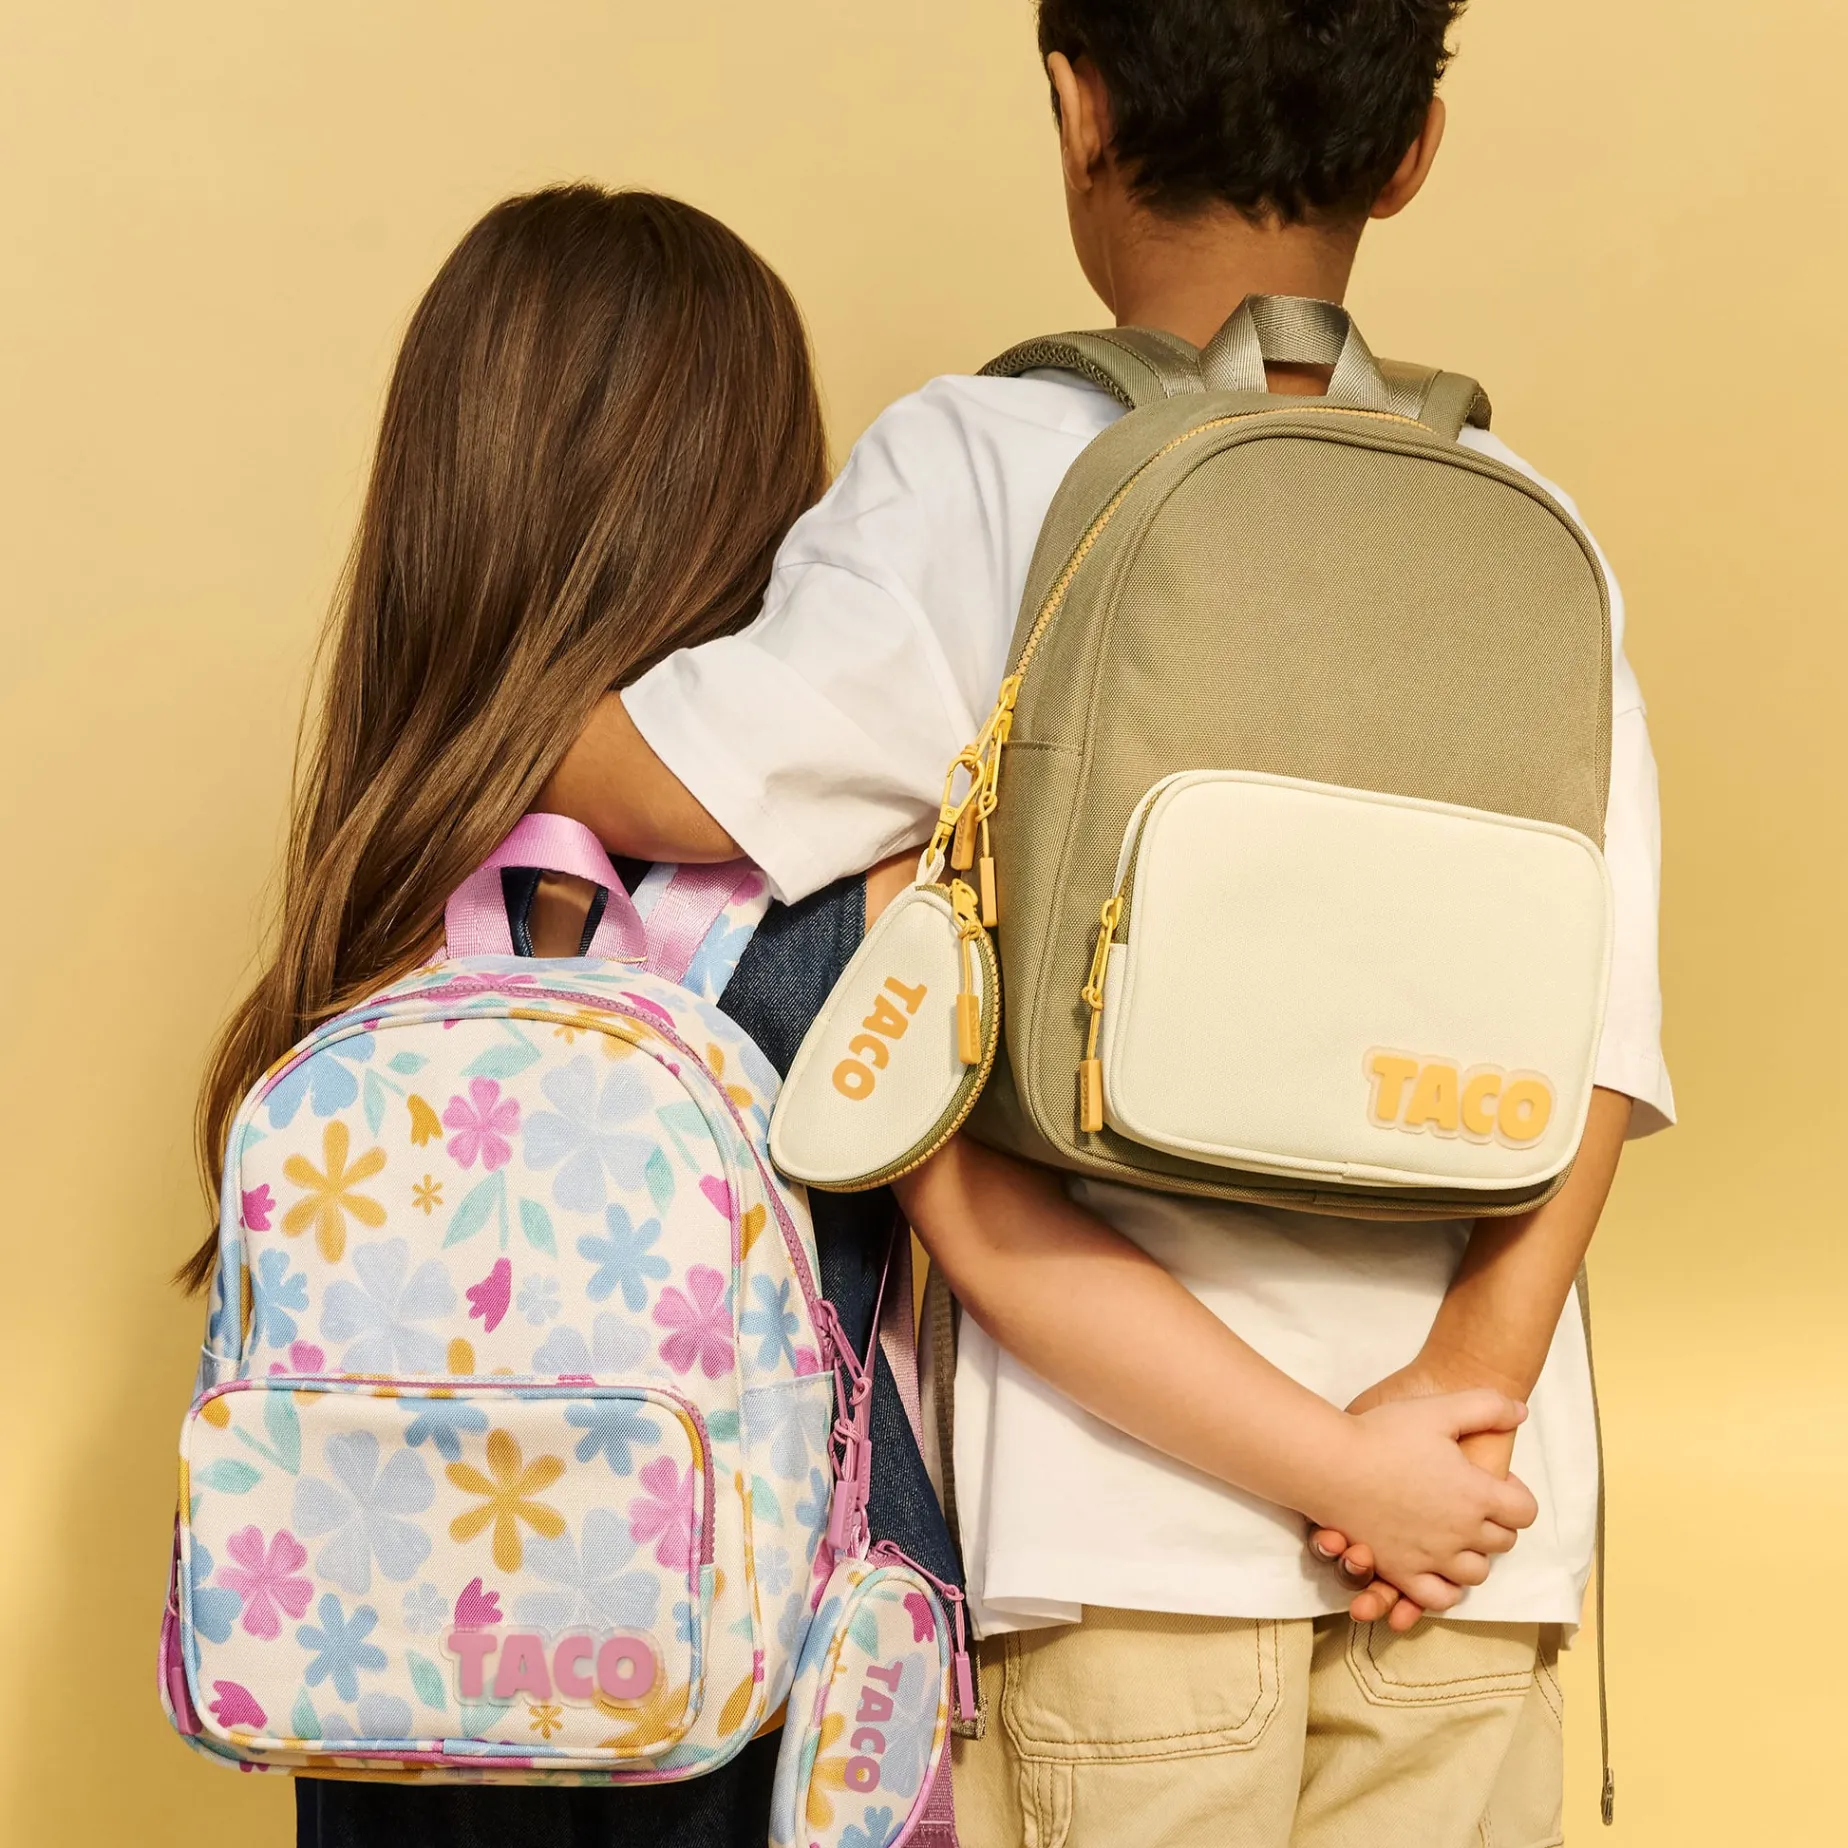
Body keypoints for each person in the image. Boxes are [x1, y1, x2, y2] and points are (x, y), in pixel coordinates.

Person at [538, 3, 1674, 1845]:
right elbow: (1605, 1040)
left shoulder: (979, 466)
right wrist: (1457, 1398)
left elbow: (686, 788)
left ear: (1078, 111)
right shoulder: (1533, 520)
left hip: (1122, 1534)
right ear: (1412, 152)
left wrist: (466, 684)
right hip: (1470, 1540)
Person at [180, 181, 953, 1848]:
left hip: (399, 1715)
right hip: (756, 1721)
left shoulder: (381, 901)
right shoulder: (862, 902)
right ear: (755, 501)